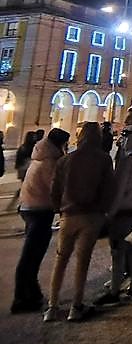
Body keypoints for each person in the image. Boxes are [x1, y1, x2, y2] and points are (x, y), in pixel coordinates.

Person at [44, 122, 114, 322]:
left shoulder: (66, 160)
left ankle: (52, 306)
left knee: (60, 260)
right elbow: (109, 189)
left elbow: (55, 189)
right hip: (91, 217)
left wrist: (59, 209)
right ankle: (76, 306)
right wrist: (104, 210)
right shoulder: (103, 159)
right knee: (82, 262)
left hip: (68, 216)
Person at [94, 125, 132, 306]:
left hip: (124, 214)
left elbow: (118, 191)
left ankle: (114, 290)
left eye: (124, 136)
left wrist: (109, 214)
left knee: (118, 252)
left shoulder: (128, 161)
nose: (121, 140)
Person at [11, 128, 70, 313]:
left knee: (32, 255)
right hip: (39, 210)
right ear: (61, 144)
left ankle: (32, 293)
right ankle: (21, 299)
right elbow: (55, 188)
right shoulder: (50, 162)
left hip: (29, 207)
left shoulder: (40, 156)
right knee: (31, 256)